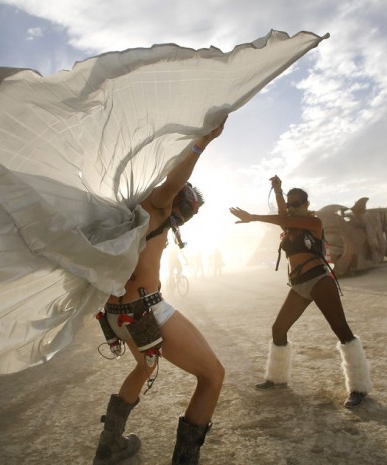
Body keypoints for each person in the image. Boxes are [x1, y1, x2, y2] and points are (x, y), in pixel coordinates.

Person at [94, 120, 226, 465]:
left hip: (115, 315)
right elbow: (174, 183)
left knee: (144, 367)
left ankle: (109, 447)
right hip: (146, 311)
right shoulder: (157, 206)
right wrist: (202, 143)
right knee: (213, 376)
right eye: (191, 208)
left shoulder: (129, 216)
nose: (189, 215)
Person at [229, 175, 372, 408]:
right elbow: (284, 215)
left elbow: (284, 216)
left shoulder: (314, 224)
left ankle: (359, 387)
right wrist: (278, 189)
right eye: (289, 203)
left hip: (319, 281)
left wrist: (253, 217)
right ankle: (277, 378)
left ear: (306, 205)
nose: (291, 207)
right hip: (298, 285)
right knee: (278, 329)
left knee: (341, 330)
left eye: (296, 204)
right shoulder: (288, 224)